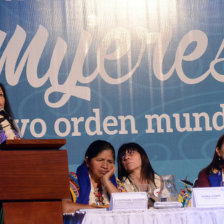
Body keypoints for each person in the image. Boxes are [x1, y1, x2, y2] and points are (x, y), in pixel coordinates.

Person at [62, 140, 124, 213]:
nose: (105, 166)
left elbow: (124, 207)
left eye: (110, 162)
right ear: (87, 161)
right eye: (100, 160)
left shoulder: (116, 183)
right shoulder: (73, 181)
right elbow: (65, 207)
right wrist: (100, 210)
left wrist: (106, 181)